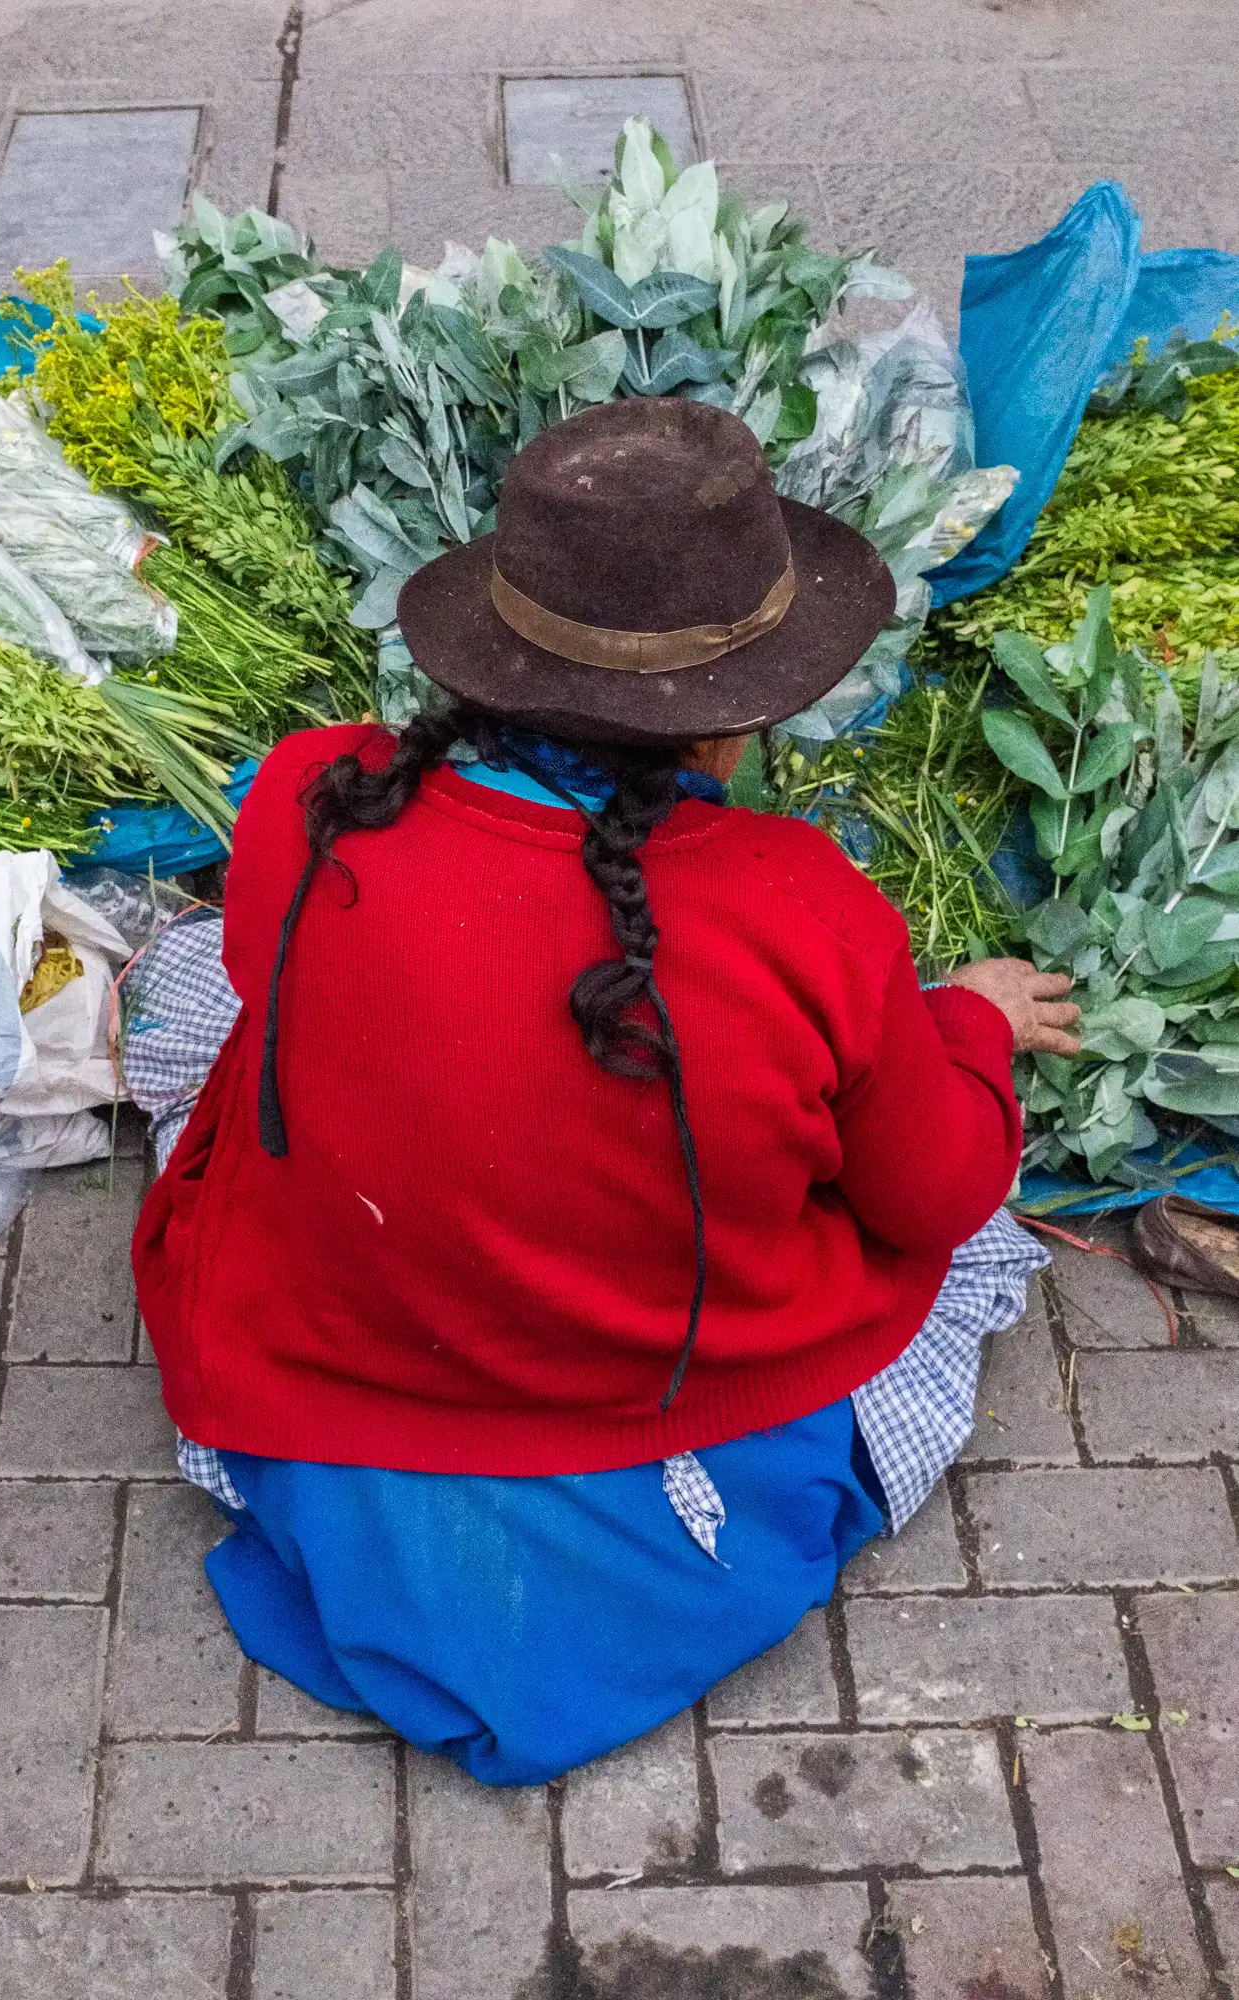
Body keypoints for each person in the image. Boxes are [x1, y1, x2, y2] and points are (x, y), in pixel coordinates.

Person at [128, 397, 1078, 1787]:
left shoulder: (314, 791)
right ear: (726, 721)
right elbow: (932, 1197)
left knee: (221, 997)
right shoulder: (803, 912)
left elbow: (283, 977)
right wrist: (967, 1026)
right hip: (659, 1395)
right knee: (955, 1227)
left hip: (324, 1374)